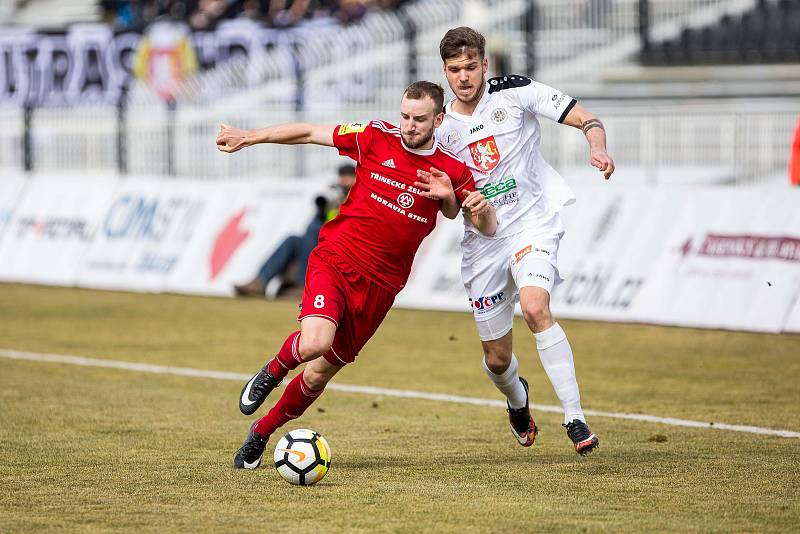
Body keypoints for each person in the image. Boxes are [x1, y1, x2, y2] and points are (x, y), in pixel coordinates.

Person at [215, 80, 498, 469]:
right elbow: (311, 133)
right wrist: (252, 137)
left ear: (438, 119)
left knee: (317, 377)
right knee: (315, 341)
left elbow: (485, 225)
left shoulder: (452, 169)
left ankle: (260, 433)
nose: (409, 125)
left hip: (381, 287)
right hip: (336, 258)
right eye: (404, 116)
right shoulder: (375, 136)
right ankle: (273, 370)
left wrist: (458, 200)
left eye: (419, 119)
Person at [436, 27, 616, 455]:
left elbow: (586, 117)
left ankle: (575, 418)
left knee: (536, 307)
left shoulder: (516, 92)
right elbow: (446, 211)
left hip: (533, 225)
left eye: (470, 67)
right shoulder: (441, 128)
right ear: (444, 71)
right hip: (483, 243)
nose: (464, 77)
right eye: (454, 70)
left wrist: (598, 147)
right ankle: (518, 400)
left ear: (485, 64)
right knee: (498, 361)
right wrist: (452, 201)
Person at [233, 164, 356, 298]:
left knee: (308, 239)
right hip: (325, 242)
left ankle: (302, 285)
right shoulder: (333, 198)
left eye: (347, 176)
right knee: (293, 240)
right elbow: (312, 229)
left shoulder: (359, 198)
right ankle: (260, 282)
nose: (343, 180)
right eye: (341, 176)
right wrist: (322, 211)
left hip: (344, 248)